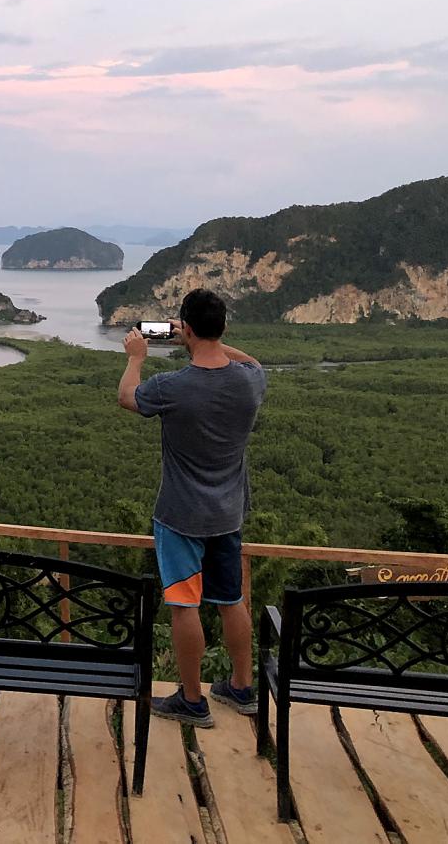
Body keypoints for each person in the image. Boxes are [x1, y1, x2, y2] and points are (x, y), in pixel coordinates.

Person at [118, 289, 266, 727]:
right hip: (228, 514)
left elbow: (128, 397)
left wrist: (136, 358)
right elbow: (251, 361)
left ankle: (192, 699)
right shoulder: (250, 381)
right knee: (231, 599)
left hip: (181, 516)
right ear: (223, 327)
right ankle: (241, 687)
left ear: (185, 327)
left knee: (184, 605)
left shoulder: (173, 387)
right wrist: (209, 340)